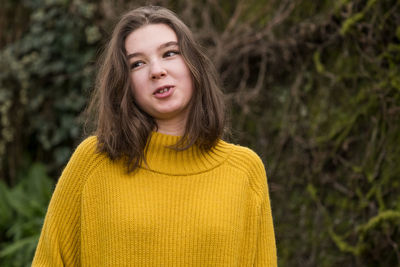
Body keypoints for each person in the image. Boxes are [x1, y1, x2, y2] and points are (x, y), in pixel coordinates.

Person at [32, 5, 277, 266]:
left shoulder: (244, 170)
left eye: (169, 53)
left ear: (193, 64)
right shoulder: (93, 162)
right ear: (125, 83)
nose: (156, 71)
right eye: (137, 63)